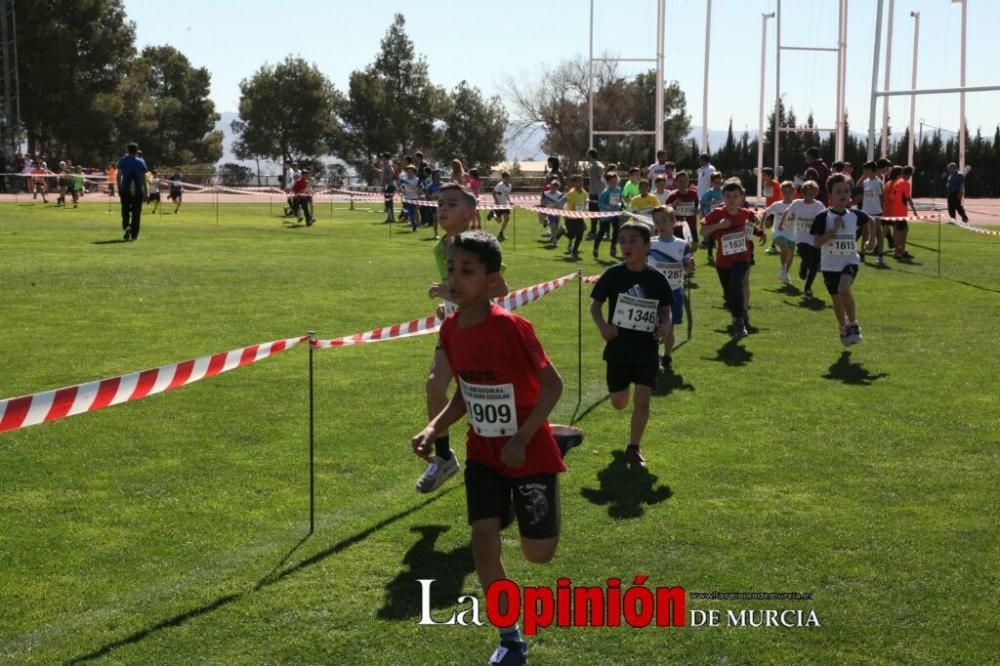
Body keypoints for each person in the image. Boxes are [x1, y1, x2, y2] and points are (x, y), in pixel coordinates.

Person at [412, 231, 562, 666]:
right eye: (451, 269)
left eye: (467, 271)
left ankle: (557, 447)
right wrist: (433, 427)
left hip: (528, 450)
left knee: (539, 555)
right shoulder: (450, 329)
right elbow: (464, 393)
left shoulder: (512, 327)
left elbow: (553, 385)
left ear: (493, 281)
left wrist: (521, 437)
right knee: (483, 542)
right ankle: (510, 639)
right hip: (483, 454)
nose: (454, 279)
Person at [419, 184, 510, 495]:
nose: (443, 209)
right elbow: (459, 290)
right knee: (434, 385)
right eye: (440, 203)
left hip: (487, 331)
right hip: (455, 328)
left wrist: (449, 293)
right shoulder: (440, 247)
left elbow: (499, 290)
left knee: (488, 402)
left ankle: (516, 458)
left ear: (471, 213)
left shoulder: (482, 245)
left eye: (452, 204)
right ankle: (444, 457)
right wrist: (448, 304)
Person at [590, 222, 673, 467]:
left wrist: (666, 326)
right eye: (623, 240)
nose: (627, 245)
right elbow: (595, 306)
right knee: (619, 402)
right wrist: (603, 327)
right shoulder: (613, 275)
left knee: (643, 400)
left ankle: (633, 447)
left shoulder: (656, 279)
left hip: (647, 348)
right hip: (618, 348)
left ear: (647, 246)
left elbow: (666, 310)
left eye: (633, 240)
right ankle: (620, 397)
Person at [812, 173, 871, 346]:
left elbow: (871, 222)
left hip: (850, 261)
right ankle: (843, 327)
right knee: (836, 299)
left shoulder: (855, 215)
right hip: (829, 266)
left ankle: (853, 324)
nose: (843, 194)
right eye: (838, 191)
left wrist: (870, 240)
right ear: (830, 196)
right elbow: (816, 243)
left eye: (846, 191)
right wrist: (833, 231)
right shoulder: (823, 217)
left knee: (844, 290)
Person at [701, 179, 757, 337]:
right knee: (729, 293)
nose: (732, 200)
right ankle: (740, 314)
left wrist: (761, 228)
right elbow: (703, 232)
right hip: (723, 262)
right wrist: (719, 225)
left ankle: (738, 320)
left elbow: (756, 224)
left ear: (741, 198)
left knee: (736, 284)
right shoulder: (718, 213)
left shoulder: (747, 214)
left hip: (742, 258)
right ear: (723, 197)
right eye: (728, 196)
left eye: (735, 196)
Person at [648, 206, 693, 369]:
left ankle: (667, 355)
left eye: (664, 221)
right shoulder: (650, 244)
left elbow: (686, 270)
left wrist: (689, 267)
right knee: (651, 327)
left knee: (669, 328)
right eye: (656, 221)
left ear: (673, 221)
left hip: (674, 292)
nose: (660, 224)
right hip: (652, 293)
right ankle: (652, 356)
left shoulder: (682, 245)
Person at [778, 180, 824, 299]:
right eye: (807, 193)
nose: (809, 195)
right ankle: (804, 265)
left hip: (815, 239)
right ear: (802, 193)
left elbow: (826, 217)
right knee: (808, 260)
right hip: (801, 238)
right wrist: (782, 224)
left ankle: (807, 288)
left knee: (814, 265)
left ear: (816, 193)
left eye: (812, 193)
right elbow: (787, 211)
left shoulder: (819, 205)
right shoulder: (797, 204)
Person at [761, 180, 798, 285]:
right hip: (778, 232)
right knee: (785, 248)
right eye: (784, 192)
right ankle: (783, 268)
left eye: (789, 191)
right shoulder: (777, 205)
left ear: (793, 192)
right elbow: (765, 212)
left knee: (790, 254)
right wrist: (761, 228)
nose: (787, 194)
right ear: (781, 193)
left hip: (792, 234)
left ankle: (785, 273)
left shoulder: (797, 205)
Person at [858, 161, 886, 267]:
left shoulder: (878, 182)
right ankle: (862, 254)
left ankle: (880, 255)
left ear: (872, 170)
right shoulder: (865, 182)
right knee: (865, 233)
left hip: (876, 212)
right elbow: (858, 186)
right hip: (866, 211)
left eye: (866, 169)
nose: (864, 171)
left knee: (878, 233)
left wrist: (882, 210)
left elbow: (881, 197)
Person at [890, 166, 919, 261]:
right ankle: (898, 253)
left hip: (896, 211)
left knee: (904, 230)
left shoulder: (897, 182)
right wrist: (914, 210)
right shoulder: (905, 184)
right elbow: (908, 198)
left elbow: (892, 197)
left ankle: (901, 251)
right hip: (901, 212)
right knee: (900, 232)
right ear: (909, 174)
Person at [665, 170, 700, 247]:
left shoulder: (693, 193)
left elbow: (697, 205)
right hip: (677, 226)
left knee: (695, 246)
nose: (683, 183)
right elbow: (665, 210)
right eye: (680, 181)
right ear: (676, 182)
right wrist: (673, 205)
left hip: (691, 224)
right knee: (679, 247)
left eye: (685, 181)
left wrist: (698, 209)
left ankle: (687, 257)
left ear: (688, 182)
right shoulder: (672, 196)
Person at [594, 171, 623, 258]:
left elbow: (620, 199)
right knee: (602, 231)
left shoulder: (618, 189)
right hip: (605, 215)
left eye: (615, 181)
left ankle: (613, 247)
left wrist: (621, 202)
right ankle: (595, 248)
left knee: (616, 230)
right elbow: (600, 204)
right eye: (612, 181)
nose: (614, 183)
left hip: (615, 213)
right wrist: (607, 207)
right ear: (608, 182)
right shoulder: (605, 192)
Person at [699, 172, 724, 262]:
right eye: (716, 182)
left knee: (722, 235)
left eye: (719, 182)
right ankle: (710, 254)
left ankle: (722, 253)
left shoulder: (723, 191)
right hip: (711, 217)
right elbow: (702, 203)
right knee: (711, 236)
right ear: (712, 183)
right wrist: (710, 202)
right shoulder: (709, 192)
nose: (718, 184)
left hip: (721, 217)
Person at [563, 174, 588, 258]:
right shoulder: (571, 193)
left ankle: (574, 251)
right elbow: (563, 200)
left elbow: (584, 204)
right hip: (570, 217)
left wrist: (583, 215)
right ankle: (562, 230)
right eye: (578, 181)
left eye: (582, 181)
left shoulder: (584, 193)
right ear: (574, 183)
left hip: (579, 217)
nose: (580, 183)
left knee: (580, 235)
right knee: (571, 235)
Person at [586, 148, 605, 240]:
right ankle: (593, 230)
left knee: (597, 212)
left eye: (588, 154)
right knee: (592, 212)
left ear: (591, 155)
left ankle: (597, 231)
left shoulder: (598, 166)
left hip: (597, 193)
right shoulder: (592, 165)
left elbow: (601, 179)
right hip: (592, 192)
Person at [541, 178, 566, 248]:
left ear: (558, 187)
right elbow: (543, 201)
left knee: (556, 227)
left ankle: (553, 234)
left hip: (557, 213)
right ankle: (554, 240)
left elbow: (561, 204)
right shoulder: (546, 193)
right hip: (550, 212)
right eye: (552, 186)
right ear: (550, 186)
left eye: (555, 187)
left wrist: (561, 209)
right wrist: (545, 205)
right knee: (553, 227)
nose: (553, 188)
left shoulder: (559, 194)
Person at [399, 164, 422, 232]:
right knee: (410, 212)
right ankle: (414, 224)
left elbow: (421, 188)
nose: (409, 172)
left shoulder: (417, 180)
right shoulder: (404, 180)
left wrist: (418, 190)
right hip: (407, 198)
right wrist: (403, 191)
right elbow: (401, 188)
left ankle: (417, 224)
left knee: (416, 212)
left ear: (414, 171)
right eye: (408, 171)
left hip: (415, 198)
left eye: (410, 171)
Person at [492, 170, 514, 242]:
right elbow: (493, 193)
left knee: (507, 218)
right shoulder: (499, 185)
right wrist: (497, 202)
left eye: (509, 178)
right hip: (498, 205)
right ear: (503, 178)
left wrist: (509, 201)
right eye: (506, 178)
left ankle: (501, 233)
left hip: (505, 205)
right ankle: (493, 215)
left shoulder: (510, 186)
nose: (508, 179)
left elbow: (507, 195)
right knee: (499, 221)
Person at [378, 153, 397, 224]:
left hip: (389, 186)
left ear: (386, 158)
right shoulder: (386, 166)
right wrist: (374, 169)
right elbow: (383, 172)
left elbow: (392, 174)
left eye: (383, 158)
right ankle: (390, 217)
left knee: (389, 203)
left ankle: (391, 218)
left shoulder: (388, 165)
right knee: (387, 203)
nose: (382, 159)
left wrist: (385, 181)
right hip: (387, 186)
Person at [425, 169, 443, 239]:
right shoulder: (430, 186)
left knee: (443, 219)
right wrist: (433, 196)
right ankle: (436, 234)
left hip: (442, 205)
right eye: (437, 175)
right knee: (435, 219)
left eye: (439, 174)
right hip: (434, 205)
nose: (439, 176)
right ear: (433, 176)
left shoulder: (443, 185)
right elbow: (427, 196)